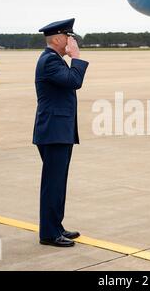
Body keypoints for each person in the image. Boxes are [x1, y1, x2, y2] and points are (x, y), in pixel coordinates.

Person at [33, 18, 89, 247]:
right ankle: (48, 233)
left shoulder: (53, 60)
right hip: (53, 132)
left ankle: (55, 226)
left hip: (58, 130)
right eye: (69, 37)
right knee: (53, 183)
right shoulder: (50, 62)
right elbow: (74, 81)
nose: (72, 41)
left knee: (58, 182)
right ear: (57, 39)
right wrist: (76, 57)